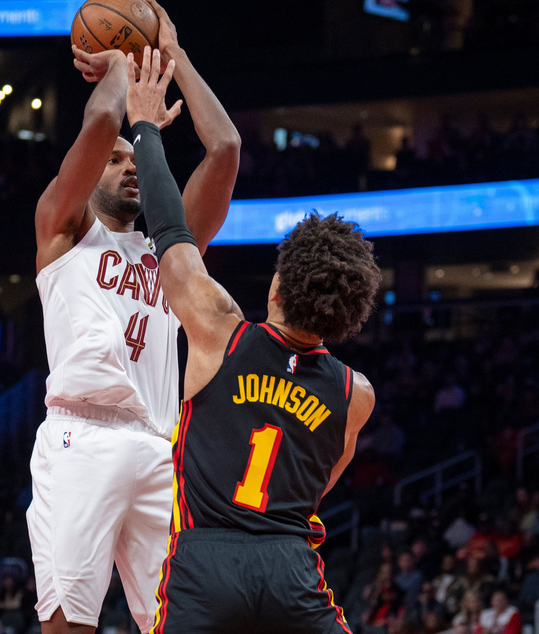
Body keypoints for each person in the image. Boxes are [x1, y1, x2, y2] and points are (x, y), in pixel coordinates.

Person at [125, 46, 380, 632]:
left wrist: (145, 124)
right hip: (291, 568)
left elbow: (169, 229)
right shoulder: (355, 393)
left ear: (277, 286)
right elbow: (316, 484)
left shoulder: (219, 329)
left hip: (203, 561)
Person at [28, 0, 241, 634]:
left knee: (182, 624)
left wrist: (170, 53)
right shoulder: (61, 233)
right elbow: (98, 124)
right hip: (79, 436)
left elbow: (225, 148)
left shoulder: (171, 252)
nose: (127, 168)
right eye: (116, 160)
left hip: (157, 445)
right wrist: (123, 65)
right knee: (69, 626)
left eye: (134, 158)